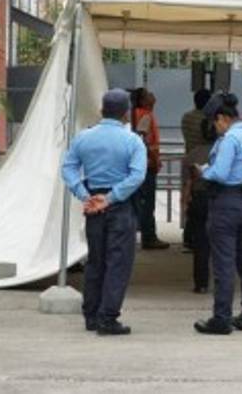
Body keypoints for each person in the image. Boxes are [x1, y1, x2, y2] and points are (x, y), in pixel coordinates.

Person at [60, 89, 147, 336]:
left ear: (101, 110)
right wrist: (110, 198)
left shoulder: (84, 138)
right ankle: (108, 317)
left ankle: (91, 315)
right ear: (126, 114)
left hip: (93, 205)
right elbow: (137, 176)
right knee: (118, 262)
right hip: (119, 206)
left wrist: (85, 195)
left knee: (96, 261)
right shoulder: (133, 141)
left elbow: (68, 169)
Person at [194, 92, 242, 335]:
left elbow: (220, 173)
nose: (215, 128)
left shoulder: (229, 140)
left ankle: (221, 318)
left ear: (223, 118)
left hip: (226, 202)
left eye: (215, 122)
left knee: (224, 262)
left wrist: (204, 171)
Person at [181, 88, 216, 293]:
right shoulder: (223, 152)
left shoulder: (186, 119)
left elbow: (187, 185)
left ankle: (200, 282)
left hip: (198, 197)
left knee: (201, 243)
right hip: (217, 199)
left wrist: (185, 203)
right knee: (222, 243)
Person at [131, 88, 169, 250]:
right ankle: (149, 236)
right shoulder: (145, 115)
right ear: (143, 100)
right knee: (148, 202)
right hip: (146, 165)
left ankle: (144, 233)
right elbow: (142, 139)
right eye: (149, 94)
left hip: (140, 164)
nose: (153, 95)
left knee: (140, 201)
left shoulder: (136, 113)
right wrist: (154, 159)